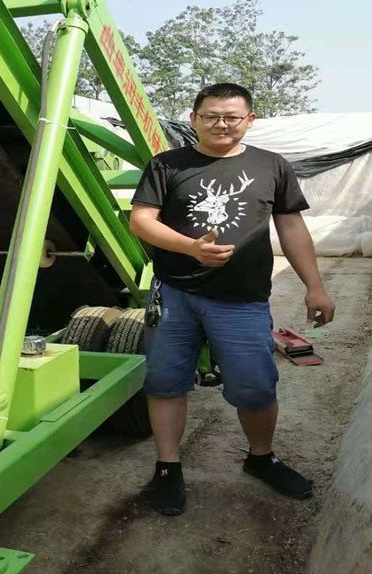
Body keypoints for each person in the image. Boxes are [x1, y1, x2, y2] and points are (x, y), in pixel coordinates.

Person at [129, 82, 335, 516]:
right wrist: (191, 248)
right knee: (165, 382)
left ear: (249, 120)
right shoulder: (167, 164)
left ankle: (261, 458)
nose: (220, 124)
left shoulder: (271, 165)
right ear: (194, 118)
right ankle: (167, 468)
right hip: (176, 293)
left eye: (231, 117)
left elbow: (291, 227)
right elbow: (142, 220)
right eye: (210, 116)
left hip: (242, 299)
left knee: (255, 387)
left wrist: (314, 285)